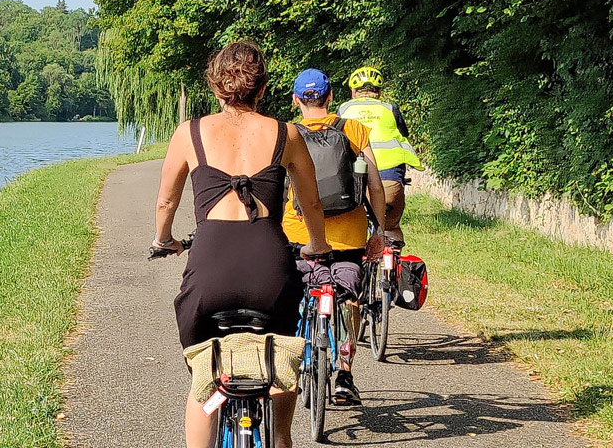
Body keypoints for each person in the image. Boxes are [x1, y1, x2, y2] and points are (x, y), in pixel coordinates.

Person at [153, 41, 331, 448]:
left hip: (210, 271)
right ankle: (281, 438)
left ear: (215, 89)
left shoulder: (190, 132)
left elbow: (166, 200)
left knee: (205, 373)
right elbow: (312, 202)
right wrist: (316, 246)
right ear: (263, 88)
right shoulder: (286, 134)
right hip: (269, 270)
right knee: (282, 350)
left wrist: (164, 240)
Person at [282, 68, 386, 406]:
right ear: (330, 99)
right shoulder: (353, 129)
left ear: (296, 100)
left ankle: (293, 360)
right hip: (348, 237)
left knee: (292, 296)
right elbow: (374, 185)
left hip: (299, 235)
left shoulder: (286, 134)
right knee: (348, 298)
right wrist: (381, 230)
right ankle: (344, 374)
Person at [338, 67, 424, 245]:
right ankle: (393, 264)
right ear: (379, 92)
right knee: (391, 228)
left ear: (353, 92)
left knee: (354, 227)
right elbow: (403, 134)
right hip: (390, 183)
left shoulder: (344, 110)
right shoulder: (390, 109)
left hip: (355, 186)